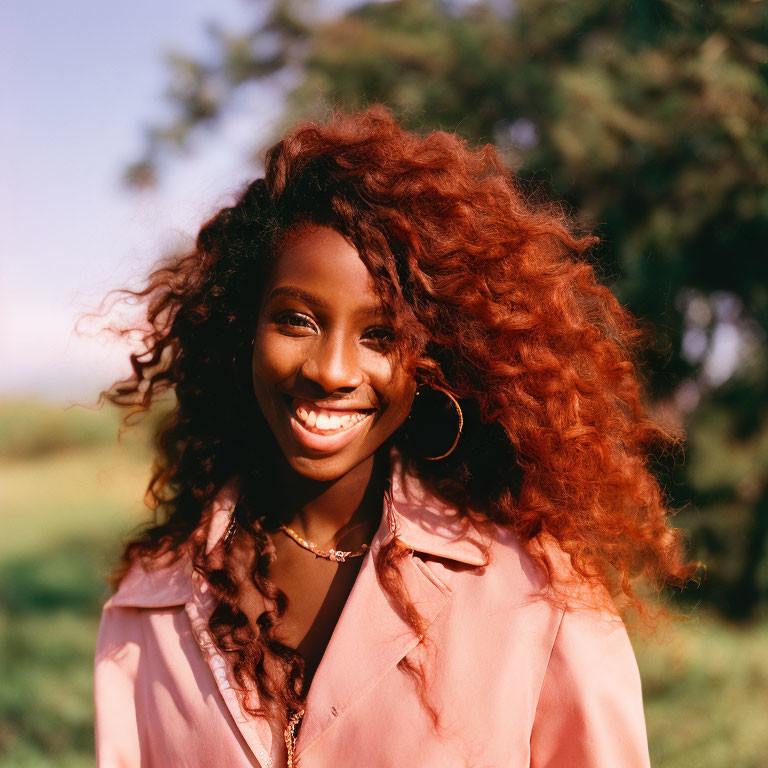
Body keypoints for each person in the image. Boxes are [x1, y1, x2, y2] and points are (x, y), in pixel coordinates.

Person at [94, 106, 695, 768]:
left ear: (431, 360)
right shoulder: (147, 610)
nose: (330, 370)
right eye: (296, 320)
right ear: (243, 331)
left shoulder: (537, 599)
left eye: (380, 336)